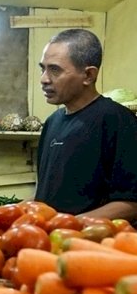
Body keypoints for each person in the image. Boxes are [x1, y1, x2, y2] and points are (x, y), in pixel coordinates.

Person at [34, 29, 137, 220]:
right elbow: (44, 196)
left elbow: (131, 203)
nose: (44, 79)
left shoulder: (118, 121)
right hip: (49, 244)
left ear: (88, 75)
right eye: (43, 68)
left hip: (92, 246)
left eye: (55, 70)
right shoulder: (52, 123)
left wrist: (69, 226)